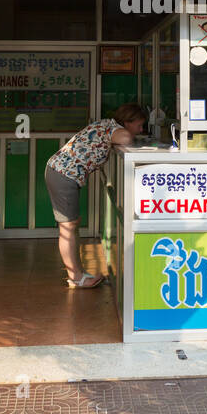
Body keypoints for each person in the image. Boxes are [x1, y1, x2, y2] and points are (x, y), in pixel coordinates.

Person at [44, 103, 146, 287]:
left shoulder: (107, 125)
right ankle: (76, 278)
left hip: (61, 173)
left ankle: (78, 273)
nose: (141, 130)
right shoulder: (113, 128)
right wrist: (131, 135)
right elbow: (124, 138)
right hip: (63, 174)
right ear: (126, 122)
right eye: (138, 125)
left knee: (72, 225)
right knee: (67, 228)